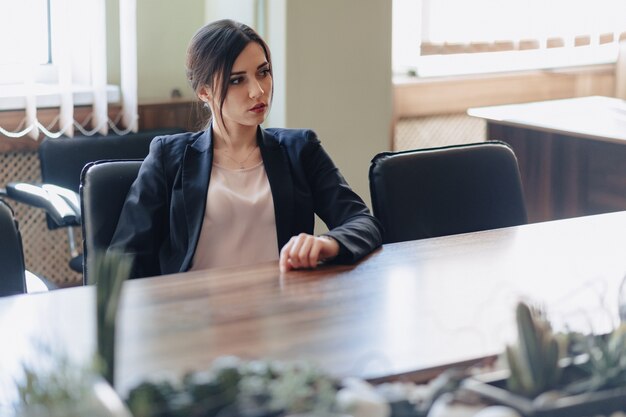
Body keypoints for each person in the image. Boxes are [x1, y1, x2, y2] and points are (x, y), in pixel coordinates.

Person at [108, 19, 382, 279]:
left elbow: (363, 222)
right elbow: (124, 258)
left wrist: (328, 243)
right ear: (204, 92)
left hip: (281, 310)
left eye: (263, 72)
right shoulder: (169, 157)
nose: (258, 91)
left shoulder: (300, 150)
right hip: (193, 314)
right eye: (236, 80)